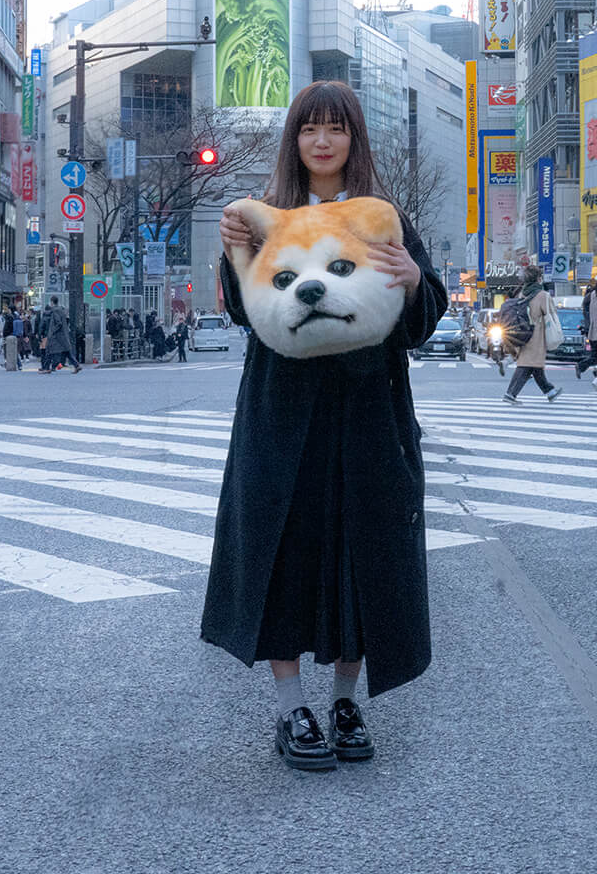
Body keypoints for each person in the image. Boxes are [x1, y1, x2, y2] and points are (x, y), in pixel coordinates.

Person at [203, 80, 447, 772]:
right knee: (282, 553)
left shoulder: (381, 217)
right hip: (281, 416)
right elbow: (245, 312)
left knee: (362, 553)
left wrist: (412, 278)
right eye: (309, 128)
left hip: (369, 414)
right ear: (295, 138)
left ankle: (345, 700)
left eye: (335, 128)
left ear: (353, 138)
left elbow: (423, 321)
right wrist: (233, 255)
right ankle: (291, 709)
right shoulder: (264, 216)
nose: (321, 140)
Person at [501, 266, 562, 404]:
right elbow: (550, 314)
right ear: (538, 278)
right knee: (527, 365)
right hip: (537, 335)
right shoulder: (542, 295)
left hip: (524, 333)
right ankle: (510, 394)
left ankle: (550, 392)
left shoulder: (524, 293)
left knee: (535, 366)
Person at [39, 296, 80, 373]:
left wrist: (52, 332)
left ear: (52, 302)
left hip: (56, 336)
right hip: (63, 335)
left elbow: (58, 323)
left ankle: (46, 368)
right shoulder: (61, 310)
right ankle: (76, 365)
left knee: (49, 351)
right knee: (66, 351)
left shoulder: (55, 311)